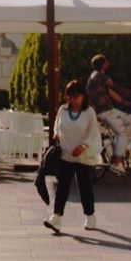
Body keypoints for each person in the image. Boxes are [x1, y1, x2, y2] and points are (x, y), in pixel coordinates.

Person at [44, 80, 103, 232]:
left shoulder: (89, 112)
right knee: (62, 187)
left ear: (83, 96)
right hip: (66, 155)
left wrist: (83, 146)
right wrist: (57, 136)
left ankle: (90, 217)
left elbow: (94, 133)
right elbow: (57, 127)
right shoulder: (63, 110)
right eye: (70, 96)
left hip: (84, 156)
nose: (73, 100)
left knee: (84, 187)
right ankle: (56, 217)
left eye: (76, 96)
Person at [86, 53, 131, 175]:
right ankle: (117, 162)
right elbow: (117, 88)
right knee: (122, 135)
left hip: (107, 110)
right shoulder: (102, 77)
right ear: (104, 64)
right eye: (106, 62)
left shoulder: (94, 76)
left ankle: (117, 146)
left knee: (130, 120)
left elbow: (112, 93)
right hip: (105, 112)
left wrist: (124, 102)